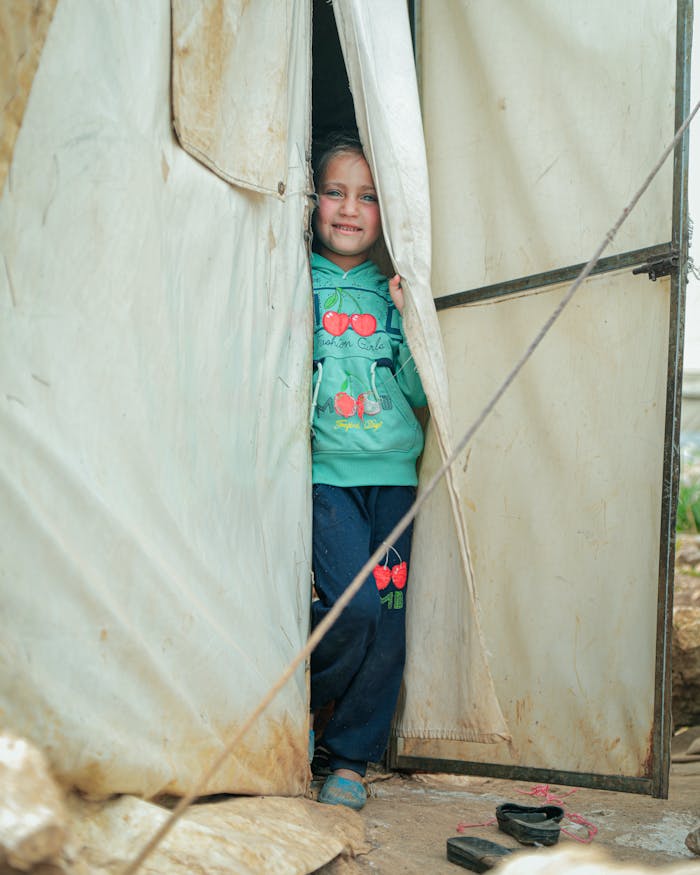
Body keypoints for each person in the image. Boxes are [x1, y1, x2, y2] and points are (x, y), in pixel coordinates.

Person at [309, 133, 427, 810]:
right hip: (328, 474)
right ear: (312, 199)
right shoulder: (293, 277)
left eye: (369, 196)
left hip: (395, 478)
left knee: (387, 615)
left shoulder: (393, 288)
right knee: (351, 608)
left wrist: (409, 321)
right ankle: (304, 702)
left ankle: (350, 757)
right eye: (335, 191)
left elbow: (416, 390)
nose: (349, 208)